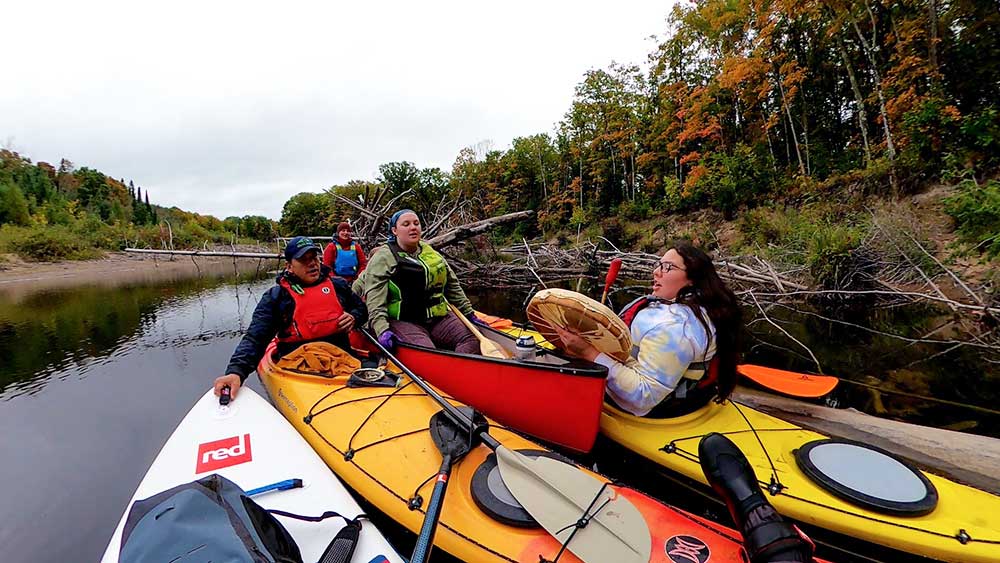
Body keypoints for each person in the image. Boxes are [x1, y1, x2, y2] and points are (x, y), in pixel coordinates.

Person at [553, 242, 742, 417]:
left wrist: (588, 352)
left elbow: (643, 398)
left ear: (693, 279)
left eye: (668, 267)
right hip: (672, 390)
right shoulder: (694, 305)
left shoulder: (676, 328)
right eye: (659, 265)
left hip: (657, 407)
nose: (657, 273)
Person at [213, 236, 367, 399]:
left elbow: (362, 310)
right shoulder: (277, 297)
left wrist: (354, 317)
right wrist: (236, 372)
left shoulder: (338, 286)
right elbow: (255, 338)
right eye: (303, 260)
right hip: (297, 366)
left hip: (341, 358)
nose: (312, 264)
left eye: (314, 258)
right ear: (289, 267)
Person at [356, 209, 481, 354]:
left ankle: (460, 369)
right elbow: (375, 300)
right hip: (404, 320)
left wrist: (468, 313)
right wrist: (381, 329)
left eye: (416, 223)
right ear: (394, 230)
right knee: (428, 353)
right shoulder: (384, 258)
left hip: (438, 318)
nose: (413, 227)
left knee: (473, 338)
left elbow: (452, 286)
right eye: (406, 224)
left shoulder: (431, 252)